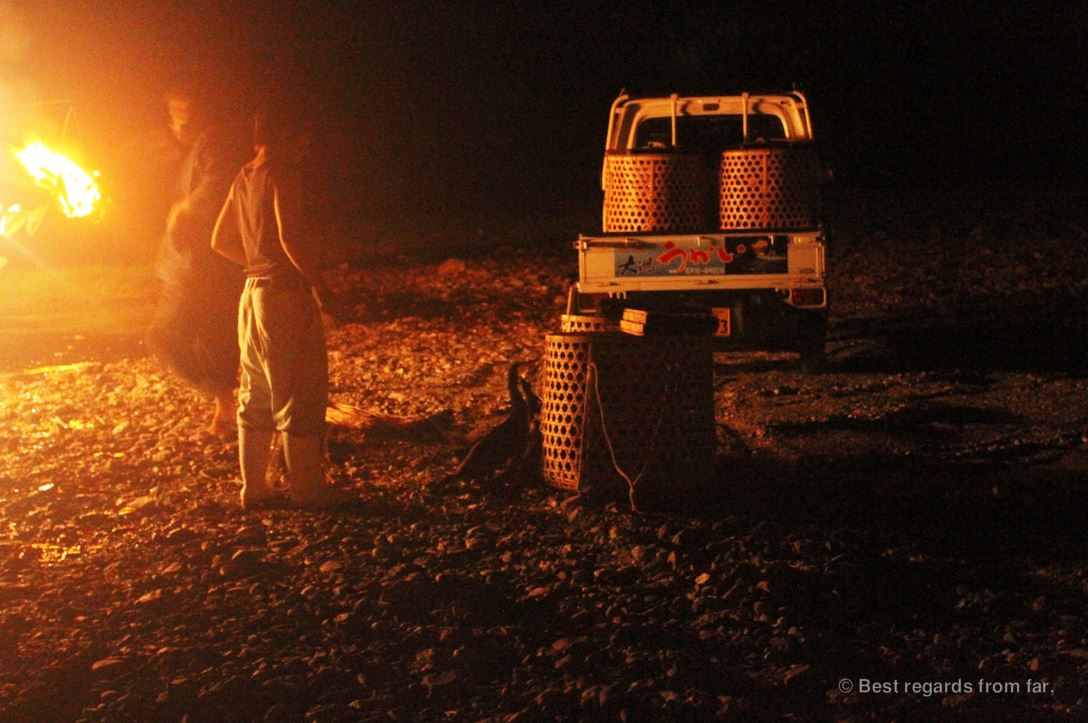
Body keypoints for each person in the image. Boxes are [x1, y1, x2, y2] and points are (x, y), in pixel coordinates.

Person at [211, 99, 352, 509]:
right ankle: (308, 491)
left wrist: (258, 264)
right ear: (288, 136)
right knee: (301, 391)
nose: (308, 149)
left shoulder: (243, 176)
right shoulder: (281, 172)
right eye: (305, 139)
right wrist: (321, 286)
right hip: (284, 296)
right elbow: (291, 237)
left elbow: (219, 241)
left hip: (251, 294)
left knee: (256, 392)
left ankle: (254, 489)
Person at [146, 88, 245, 437]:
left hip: (198, 265)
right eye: (173, 110)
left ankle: (230, 403)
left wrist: (186, 208)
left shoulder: (214, 142)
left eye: (182, 110)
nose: (177, 118)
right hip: (192, 264)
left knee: (165, 334)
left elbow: (217, 185)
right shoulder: (200, 145)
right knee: (209, 336)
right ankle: (227, 409)